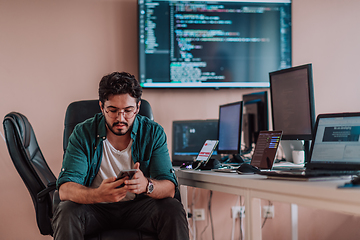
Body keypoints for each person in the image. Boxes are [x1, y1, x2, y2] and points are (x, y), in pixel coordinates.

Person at [52, 71, 189, 240]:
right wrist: (98, 195)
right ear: (102, 107)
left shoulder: (153, 133)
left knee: (172, 208)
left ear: (138, 108)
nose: (120, 118)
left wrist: (147, 185)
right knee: (67, 211)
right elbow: (65, 190)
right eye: (113, 110)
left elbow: (169, 187)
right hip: (96, 208)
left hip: (138, 209)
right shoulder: (83, 133)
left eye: (128, 110)